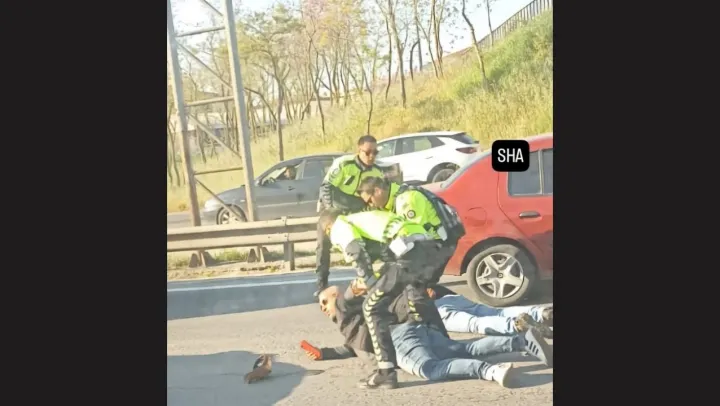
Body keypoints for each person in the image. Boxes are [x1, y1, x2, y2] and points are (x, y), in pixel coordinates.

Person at [318, 208, 467, 389]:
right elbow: (382, 256)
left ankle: (386, 373)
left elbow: (355, 251)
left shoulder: (340, 225)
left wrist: (368, 281)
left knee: (371, 307)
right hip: (425, 246)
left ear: (328, 228)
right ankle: (445, 345)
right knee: (416, 295)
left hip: (408, 252)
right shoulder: (364, 219)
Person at [300, 286, 553, 388]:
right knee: (463, 350)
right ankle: (522, 340)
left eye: (325, 302)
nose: (323, 308)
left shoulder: (346, 306)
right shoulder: (357, 319)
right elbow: (355, 346)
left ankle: (490, 371)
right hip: (414, 329)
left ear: (336, 297)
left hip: (400, 340)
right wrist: (324, 353)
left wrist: (350, 291)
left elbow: (347, 299)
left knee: (430, 368)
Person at [314, 135, 387, 296]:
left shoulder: (377, 171)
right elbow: (326, 188)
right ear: (359, 150)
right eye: (368, 152)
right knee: (323, 247)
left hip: (357, 213)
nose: (372, 156)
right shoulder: (344, 163)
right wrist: (331, 211)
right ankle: (321, 285)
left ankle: (367, 280)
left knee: (368, 246)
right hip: (334, 208)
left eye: (375, 152)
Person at [357, 176, 464, 285]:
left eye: (370, 201)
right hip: (431, 245)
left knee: (413, 285)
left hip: (438, 245)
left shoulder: (407, 200)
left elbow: (416, 235)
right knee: (417, 285)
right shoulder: (393, 201)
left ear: (377, 191)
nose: (371, 205)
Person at [428, 285, 554, 338]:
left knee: (475, 323)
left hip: (436, 307)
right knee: (497, 312)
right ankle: (541, 313)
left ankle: (516, 325)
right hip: (448, 296)